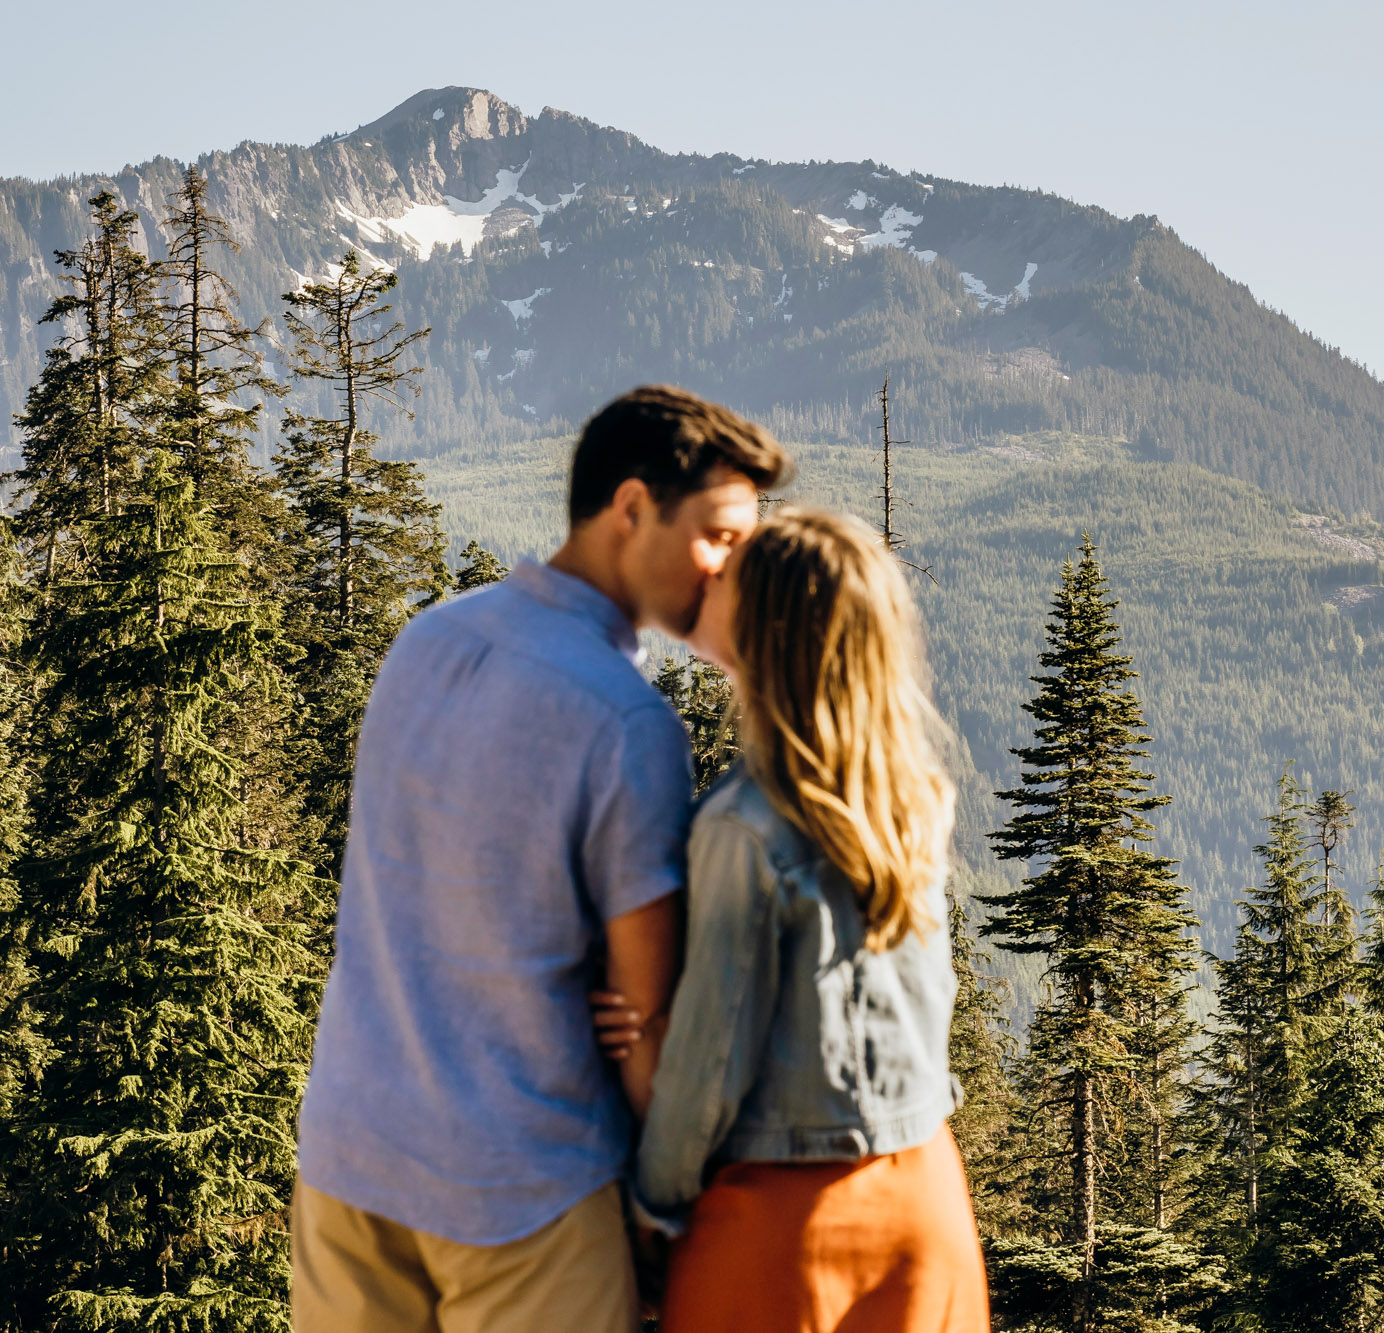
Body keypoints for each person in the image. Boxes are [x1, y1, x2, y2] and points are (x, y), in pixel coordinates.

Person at [290, 386, 791, 1333]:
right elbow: (649, 1022)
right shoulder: (625, 721)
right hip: (523, 1196)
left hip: (352, 1160)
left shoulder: (424, 641)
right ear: (632, 507)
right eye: (720, 537)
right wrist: (667, 1220)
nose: (730, 573)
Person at [600, 508, 990, 1332]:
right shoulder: (910, 802)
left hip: (788, 1229)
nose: (711, 584)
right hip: (928, 1201)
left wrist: (650, 1209)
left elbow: (708, 1067)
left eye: (731, 584)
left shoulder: (746, 826)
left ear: (763, 632)